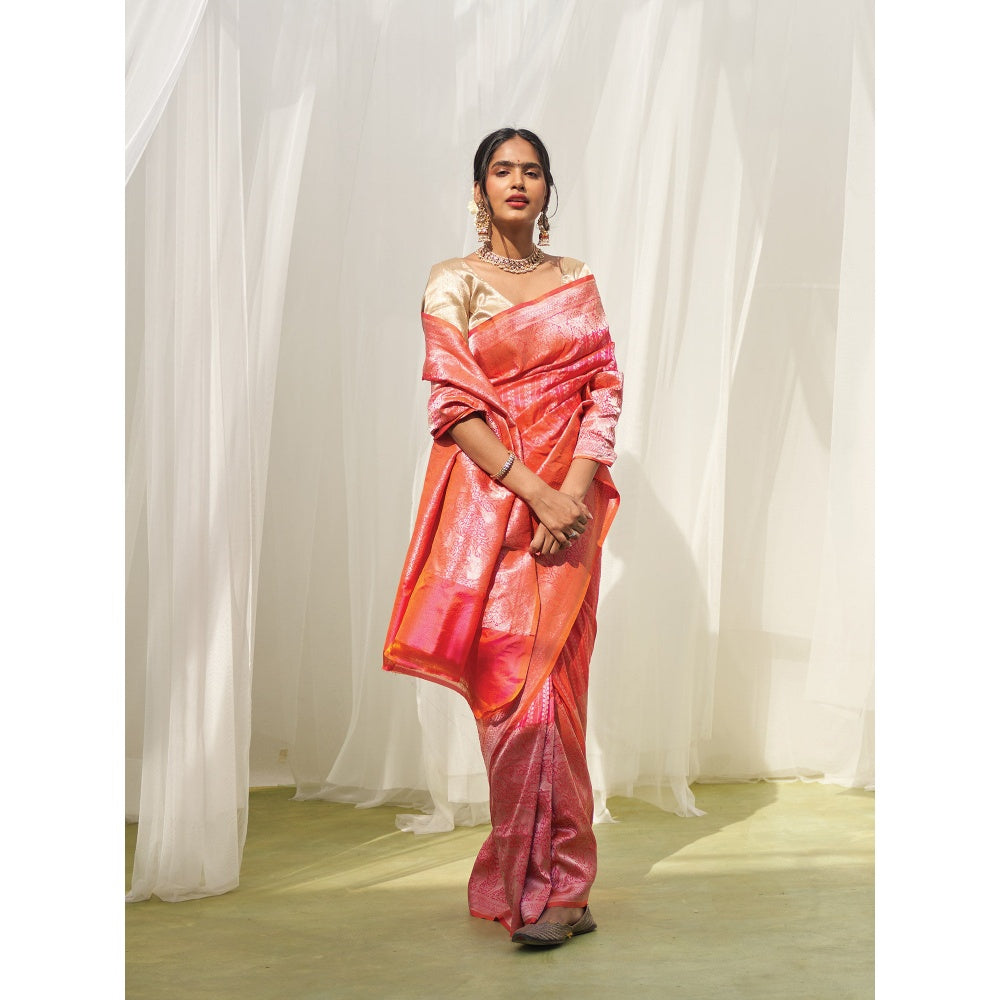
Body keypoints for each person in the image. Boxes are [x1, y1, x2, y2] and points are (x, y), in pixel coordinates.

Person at [382, 127, 623, 947]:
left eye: (532, 171)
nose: (517, 182)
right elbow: (453, 408)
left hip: (569, 516)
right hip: (487, 516)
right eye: (501, 170)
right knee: (512, 703)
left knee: (560, 702)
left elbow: (604, 391)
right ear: (480, 187)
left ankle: (567, 892)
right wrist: (536, 495)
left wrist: (572, 499)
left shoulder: (576, 280)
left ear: (549, 189)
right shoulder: (452, 281)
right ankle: (529, 880)